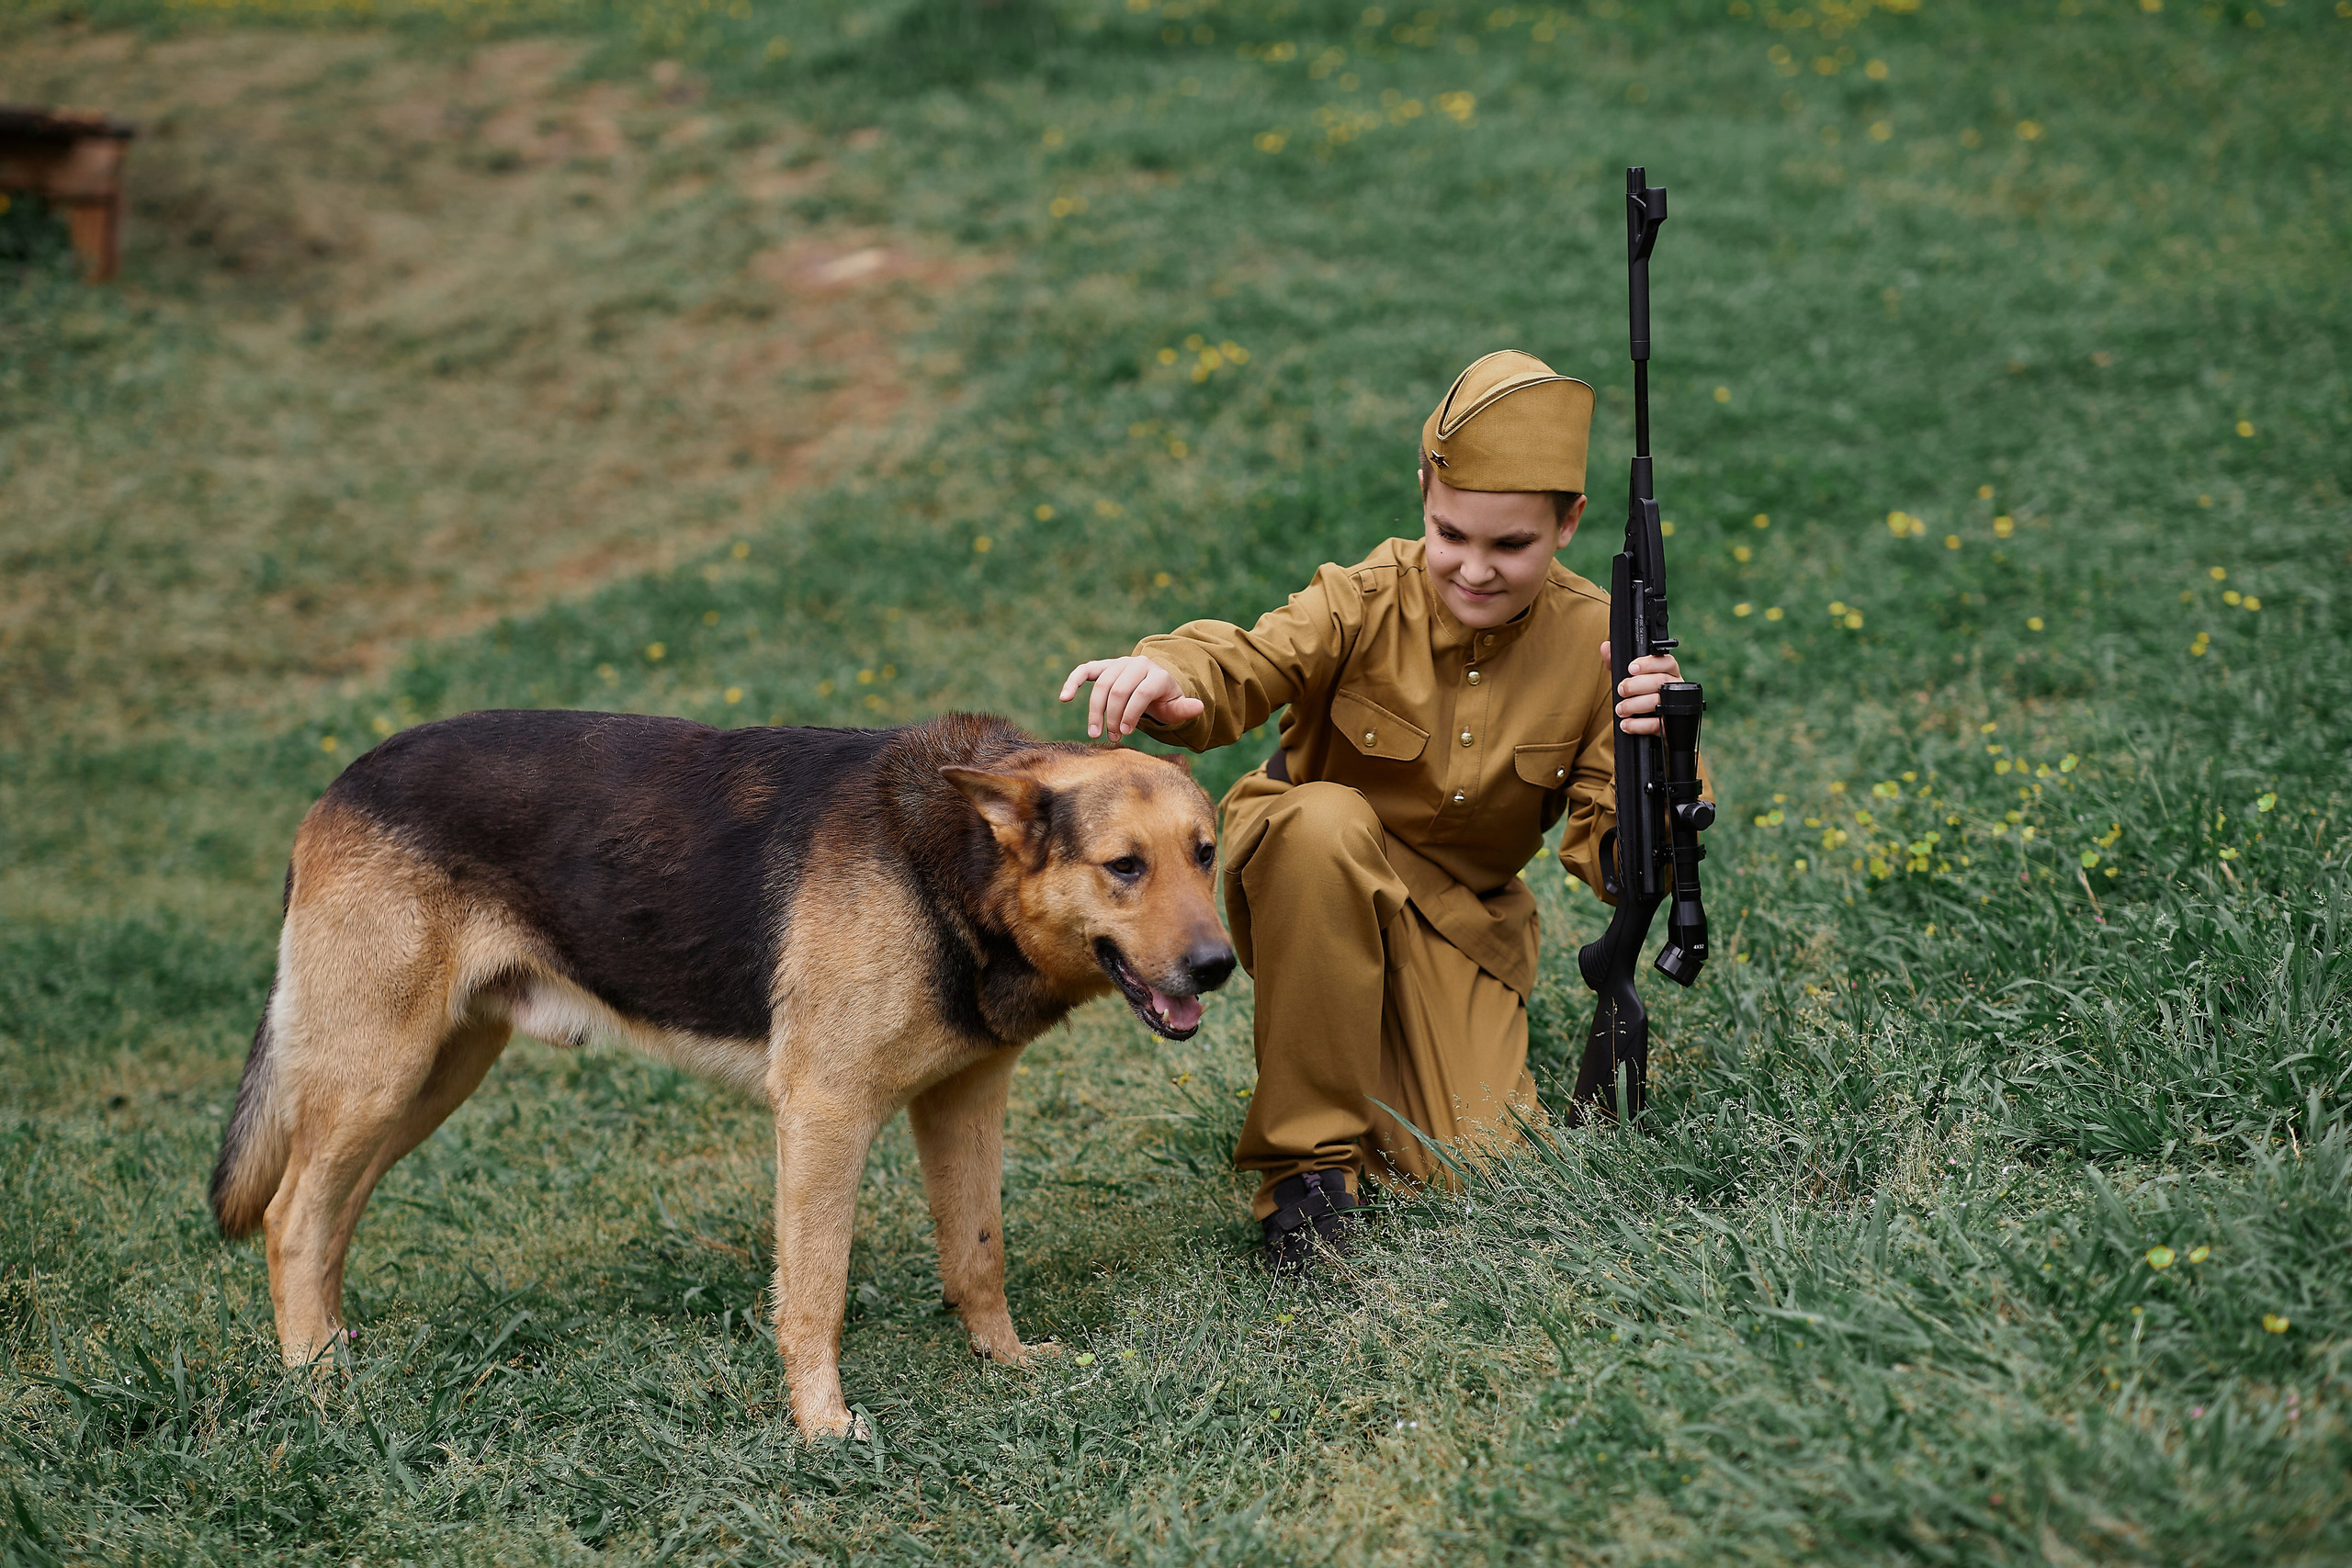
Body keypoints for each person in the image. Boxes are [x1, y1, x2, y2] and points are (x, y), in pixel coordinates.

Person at [1057, 350, 1707, 1273]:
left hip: (1458, 925)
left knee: (1474, 1172)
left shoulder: (1598, 646)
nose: (1474, 569)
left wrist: (1661, 759)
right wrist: (1170, 675)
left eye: (1510, 546)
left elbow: (1613, 865)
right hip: (1312, 873)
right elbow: (1246, 661)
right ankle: (1306, 1168)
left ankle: (1374, 1085)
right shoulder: (1360, 600)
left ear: (1567, 524)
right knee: (1322, 823)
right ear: (1422, 497)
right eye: (1451, 535)